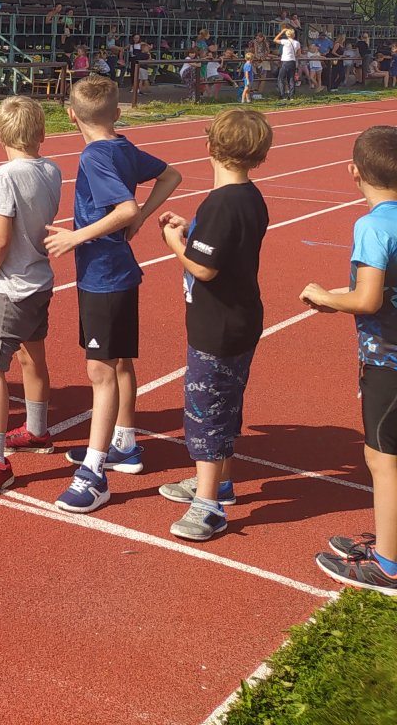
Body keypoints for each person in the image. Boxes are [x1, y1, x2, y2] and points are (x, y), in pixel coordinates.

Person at [43, 74, 182, 513]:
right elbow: (171, 175)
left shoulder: (94, 156)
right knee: (119, 362)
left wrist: (76, 236)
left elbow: (125, 208)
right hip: (115, 273)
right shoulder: (123, 147)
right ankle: (124, 444)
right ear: (118, 113)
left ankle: (94, 474)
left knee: (100, 372)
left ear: (70, 116)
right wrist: (139, 220)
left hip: (103, 275)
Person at [155, 108, 273, 541]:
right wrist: (192, 232)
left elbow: (205, 268)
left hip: (218, 326)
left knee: (206, 412)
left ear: (209, 146)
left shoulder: (222, 203)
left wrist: (174, 242)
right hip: (238, 318)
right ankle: (218, 482)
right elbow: (222, 246)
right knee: (226, 405)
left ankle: (208, 507)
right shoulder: (249, 196)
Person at [300, 125, 397, 593]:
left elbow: (369, 299)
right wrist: (338, 297)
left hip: (388, 361)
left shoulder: (373, 226)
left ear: (354, 171)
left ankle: (388, 566)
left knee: (382, 458)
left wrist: (325, 296)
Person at [0, 96, 63, 495]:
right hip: (39, 279)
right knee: (31, 355)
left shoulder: (4, 176)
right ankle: (37, 429)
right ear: (42, 134)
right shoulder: (51, 169)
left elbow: (1, 238)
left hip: (12, 286)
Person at [274, 27, 300, 99]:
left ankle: (282, 95)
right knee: (291, 79)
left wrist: (281, 32)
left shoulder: (285, 41)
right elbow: (299, 54)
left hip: (285, 61)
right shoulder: (297, 43)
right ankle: (291, 96)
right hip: (293, 61)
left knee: (280, 78)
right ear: (293, 35)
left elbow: (275, 40)